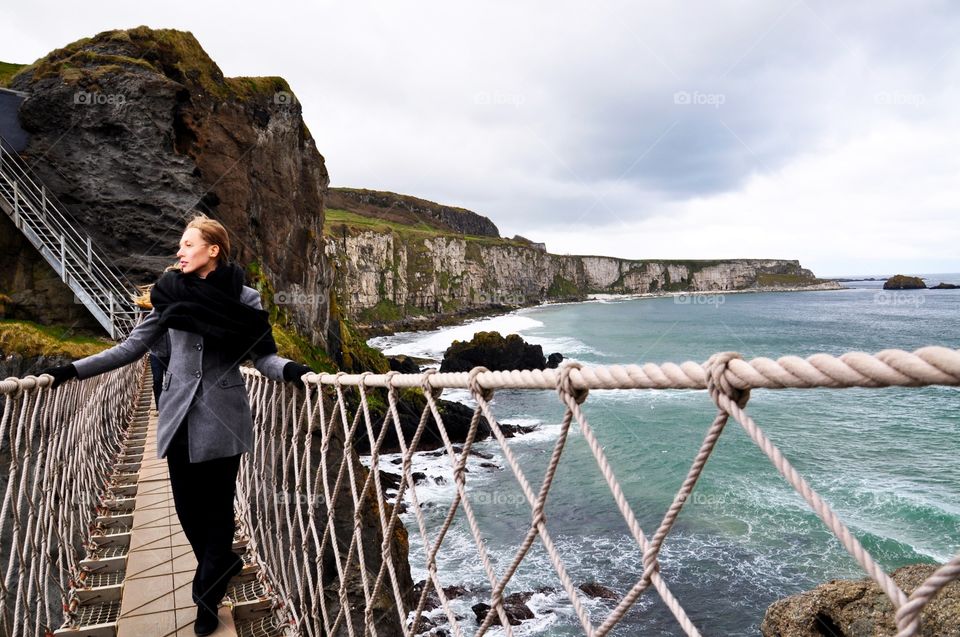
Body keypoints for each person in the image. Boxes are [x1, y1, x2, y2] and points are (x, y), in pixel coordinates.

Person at [39, 214, 313, 636]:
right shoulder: (168, 295)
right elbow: (131, 349)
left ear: (213, 250)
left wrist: (293, 370)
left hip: (224, 417)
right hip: (177, 416)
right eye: (180, 245)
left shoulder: (245, 299)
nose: (179, 251)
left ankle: (206, 596)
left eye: (187, 244)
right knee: (188, 512)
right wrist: (71, 371)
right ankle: (222, 565)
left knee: (218, 512)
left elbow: (263, 357)